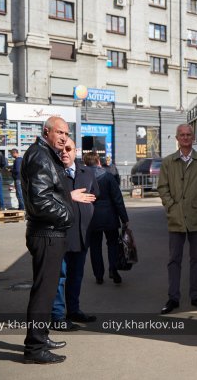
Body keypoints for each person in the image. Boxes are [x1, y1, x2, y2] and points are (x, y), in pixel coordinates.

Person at [20, 116, 92, 364]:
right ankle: (35, 348)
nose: (63, 137)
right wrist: (68, 215)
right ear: (46, 131)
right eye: (59, 132)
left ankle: (41, 336)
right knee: (43, 293)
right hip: (47, 233)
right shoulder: (40, 156)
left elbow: (52, 192)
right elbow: (40, 200)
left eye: (66, 133)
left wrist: (66, 203)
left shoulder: (45, 153)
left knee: (47, 292)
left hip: (49, 232)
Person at [157, 124, 197, 314]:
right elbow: (162, 187)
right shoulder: (168, 162)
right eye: (182, 135)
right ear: (177, 138)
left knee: (196, 259)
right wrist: (171, 206)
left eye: (188, 135)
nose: (185, 137)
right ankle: (173, 298)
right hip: (176, 218)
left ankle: (196, 296)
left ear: (193, 137)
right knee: (174, 259)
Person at [51, 140, 98, 331]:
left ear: (76, 151)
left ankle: (74, 310)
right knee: (59, 277)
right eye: (60, 150)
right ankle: (57, 316)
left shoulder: (88, 173)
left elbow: (96, 196)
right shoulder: (51, 173)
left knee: (76, 275)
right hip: (59, 235)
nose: (64, 153)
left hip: (82, 234)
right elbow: (43, 199)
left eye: (68, 149)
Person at [87, 152, 129, 285]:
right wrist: (124, 219)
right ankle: (113, 268)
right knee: (113, 243)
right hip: (109, 216)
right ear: (98, 161)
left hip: (91, 217)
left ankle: (99, 275)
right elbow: (118, 199)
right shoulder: (108, 176)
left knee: (95, 246)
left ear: (86, 163)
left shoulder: (84, 177)